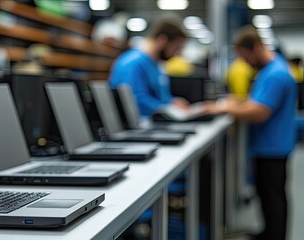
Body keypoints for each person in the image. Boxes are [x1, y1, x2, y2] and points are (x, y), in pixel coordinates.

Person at [207, 25, 296, 240]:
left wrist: (224, 108)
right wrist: (237, 102)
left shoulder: (274, 74)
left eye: (245, 56)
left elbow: (260, 112)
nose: (245, 63)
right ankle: (269, 233)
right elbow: (258, 102)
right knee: (268, 195)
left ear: (256, 48)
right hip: (272, 144)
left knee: (272, 196)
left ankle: (275, 236)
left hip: (272, 147)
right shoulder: (272, 70)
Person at [108, 15, 189, 117]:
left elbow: (160, 97)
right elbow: (135, 101)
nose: (176, 53)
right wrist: (168, 108)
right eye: (176, 47)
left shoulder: (155, 64)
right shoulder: (132, 63)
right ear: (162, 40)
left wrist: (172, 102)